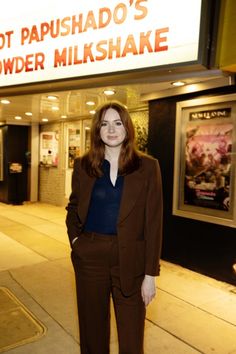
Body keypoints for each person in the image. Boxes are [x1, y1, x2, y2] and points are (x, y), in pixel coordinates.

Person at [66, 101, 163, 354]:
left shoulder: (148, 167)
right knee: (92, 333)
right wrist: (76, 243)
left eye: (117, 123)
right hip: (91, 256)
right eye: (105, 124)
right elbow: (73, 208)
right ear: (97, 130)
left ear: (127, 128)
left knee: (132, 339)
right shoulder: (84, 165)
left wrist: (150, 275)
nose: (111, 130)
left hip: (131, 259)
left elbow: (154, 222)